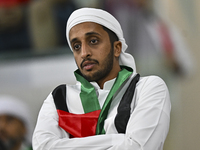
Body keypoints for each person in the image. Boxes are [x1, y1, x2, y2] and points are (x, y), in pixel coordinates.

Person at [32, 8, 171, 150]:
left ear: (117, 48)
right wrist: (120, 139)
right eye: (77, 46)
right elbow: (43, 147)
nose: (84, 53)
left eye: (93, 41)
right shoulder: (58, 98)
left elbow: (139, 147)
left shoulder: (147, 88)